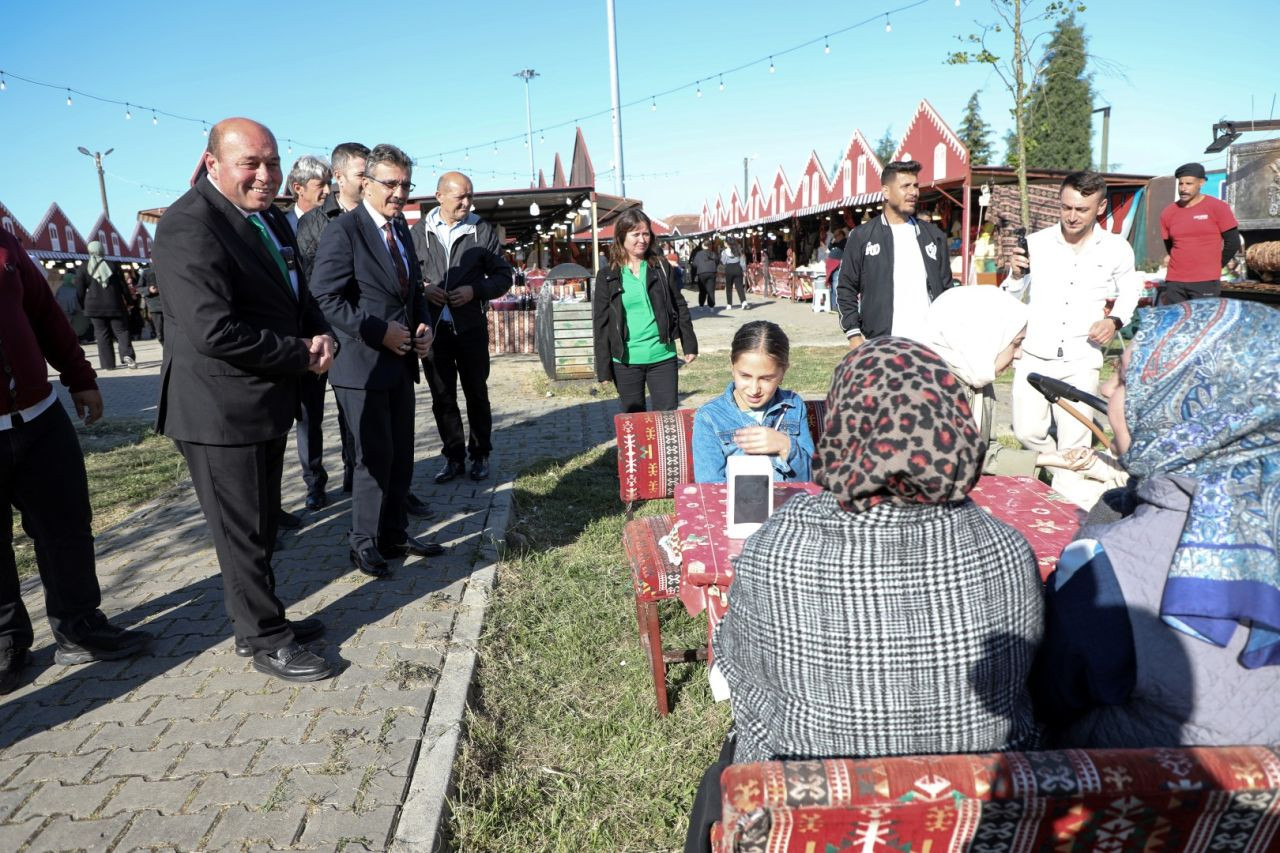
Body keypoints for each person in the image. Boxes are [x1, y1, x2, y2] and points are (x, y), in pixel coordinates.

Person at [686, 337, 1042, 852]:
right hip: (975, 812)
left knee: (715, 784)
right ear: (952, 423)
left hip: (809, 801)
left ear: (843, 423)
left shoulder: (779, 547)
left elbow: (740, 675)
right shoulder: (1005, 548)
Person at [1032, 299, 1280, 748]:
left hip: (1148, 798)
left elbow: (1056, 696)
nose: (1107, 389)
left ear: (1193, 405)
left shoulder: (1107, 565)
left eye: (1126, 379)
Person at [153, 117, 336, 682]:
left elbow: (285, 294)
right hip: (217, 412)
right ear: (212, 164)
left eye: (272, 162)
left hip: (258, 402)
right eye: (249, 163)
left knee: (259, 527)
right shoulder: (190, 224)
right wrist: (299, 354)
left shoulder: (259, 219)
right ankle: (264, 638)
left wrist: (317, 334)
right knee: (241, 533)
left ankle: (259, 618)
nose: (265, 175)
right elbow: (213, 330)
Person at [0, 228, 153, 693]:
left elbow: (43, 312)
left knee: (65, 527)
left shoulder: (4, 242)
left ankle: (79, 626)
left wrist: (80, 375)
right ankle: (6, 641)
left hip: (40, 417)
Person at [311, 144, 443, 579]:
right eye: (391, 183)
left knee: (401, 454)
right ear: (365, 183)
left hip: (401, 362)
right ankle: (363, 542)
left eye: (406, 184)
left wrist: (424, 329)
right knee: (371, 459)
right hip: (360, 367)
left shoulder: (401, 229)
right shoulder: (343, 230)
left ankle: (394, 532)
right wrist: (376, 331)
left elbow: (414, 293)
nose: (400, 192)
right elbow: (325, 296)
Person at [1004, 171, 1141, 468]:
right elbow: (1011, 297)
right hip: (1035, 353)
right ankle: (1053, 463)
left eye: (1081, 209)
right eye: (1066, 207)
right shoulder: (1036, 243)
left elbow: (1131, 289)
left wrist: (1114, 320)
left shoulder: (1117, 248)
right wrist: (1014, 276)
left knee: (1075, 438)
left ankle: (1068, 495)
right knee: (1026, 431)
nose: (1072, 216)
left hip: (1082, 356)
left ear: (1100, 208)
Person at [410, 171, 514, 484]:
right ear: (439, 196)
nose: (467, 203)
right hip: (433, 332)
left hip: (470, 329)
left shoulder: (481, 230)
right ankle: (453, 457)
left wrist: (475, 291)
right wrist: (424, 288)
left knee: (476, 394)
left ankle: (480, 455)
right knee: (442, 397)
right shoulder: (417, 233)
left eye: (470, 196)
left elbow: (503, 276)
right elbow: (404, 277)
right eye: (460, 197)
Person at [294, 142, 369, 508]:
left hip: (351, 331)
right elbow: (311, 283)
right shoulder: (313, 223)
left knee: (349, 411)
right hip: (315, 333)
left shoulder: (370, 217)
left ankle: (354, 476)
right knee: (309, 414)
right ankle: (314, 483)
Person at [835, 161, 952, 348]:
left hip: (928, 347)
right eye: (906, 186)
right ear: (886, 192)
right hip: (880, 346)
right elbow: (845, 288)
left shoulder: (933, 236)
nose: (914, 192)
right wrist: (854, 335)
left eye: (916, 186)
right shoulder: (862, 236)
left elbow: (947, 292)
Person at [592, 208, 698, 412]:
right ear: (621, 236)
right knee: (634, 419)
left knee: (667, 418)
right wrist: (603, 368)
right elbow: (601, 323)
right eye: (636, 234)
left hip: (662, 357)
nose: (642, 239)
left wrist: (689, 344)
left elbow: (679, 305)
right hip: (626, 360)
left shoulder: (661, 267)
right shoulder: (607, 275)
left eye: (646, 233)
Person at [691, 321, 812, 483]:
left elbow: (811, 479)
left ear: (783, 371)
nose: (754, 389)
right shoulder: (710, 417)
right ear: (732, 366)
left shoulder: (793, 406)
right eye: (745, 376)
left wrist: (785, 446)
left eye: (766, 378)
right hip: (735, 507)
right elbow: (709, 488)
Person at [1158, 162, 1241, 305]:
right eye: (1181, 184)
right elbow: (1170, 246)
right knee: (1176, 325)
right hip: (1175, 282)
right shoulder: (1168, 212)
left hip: (1205, 282)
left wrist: (1215, 266)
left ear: (1201, 183)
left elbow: (1233, 243)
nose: (1183, 189)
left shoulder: (1218, 207)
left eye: (1189, 184)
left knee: (1203, 325)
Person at [75, 240, 137, 370]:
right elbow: (123, 287)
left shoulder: (83, 267)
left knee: (102, 334)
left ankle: (108, 364)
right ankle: (127, 354)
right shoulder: (113, 265)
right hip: (115, 304)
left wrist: (83, 306)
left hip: (94, 307)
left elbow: (79, 291)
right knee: (122, 331)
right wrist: (130, 302)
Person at [284, 154, 332, 234]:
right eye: (320, 185)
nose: (327, 191)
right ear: (298, 188)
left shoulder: (336, 223)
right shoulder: (283, 227)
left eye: (329, 184)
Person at [719, 239, 748, 309]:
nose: (724, 244)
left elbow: (723, 262)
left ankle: (729, 304)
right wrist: (744, 270)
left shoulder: (724, 252)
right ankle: (743, 302)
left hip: (729, 269)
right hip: (738, 268)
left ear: (727, 244)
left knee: (729, 287)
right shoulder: (738, 250)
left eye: (725, 243)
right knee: (739, 286)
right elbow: (742, 262)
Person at [689, 242, 718, 307]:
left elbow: (694, 264)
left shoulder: (699, 254)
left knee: (702, 290)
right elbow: (717, 261)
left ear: (702, 246)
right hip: (711, 272)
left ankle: (701, 305)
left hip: (701, 272)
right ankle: (711, 306)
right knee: (711, 290)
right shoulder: (713, 253)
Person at [140, 267, 164, 345]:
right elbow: (139, 288)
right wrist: (149, 290)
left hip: (170, 304)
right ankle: (166, 349)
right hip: (155, 306)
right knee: (160, 331)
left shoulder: (167, 268)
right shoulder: (147, 272)